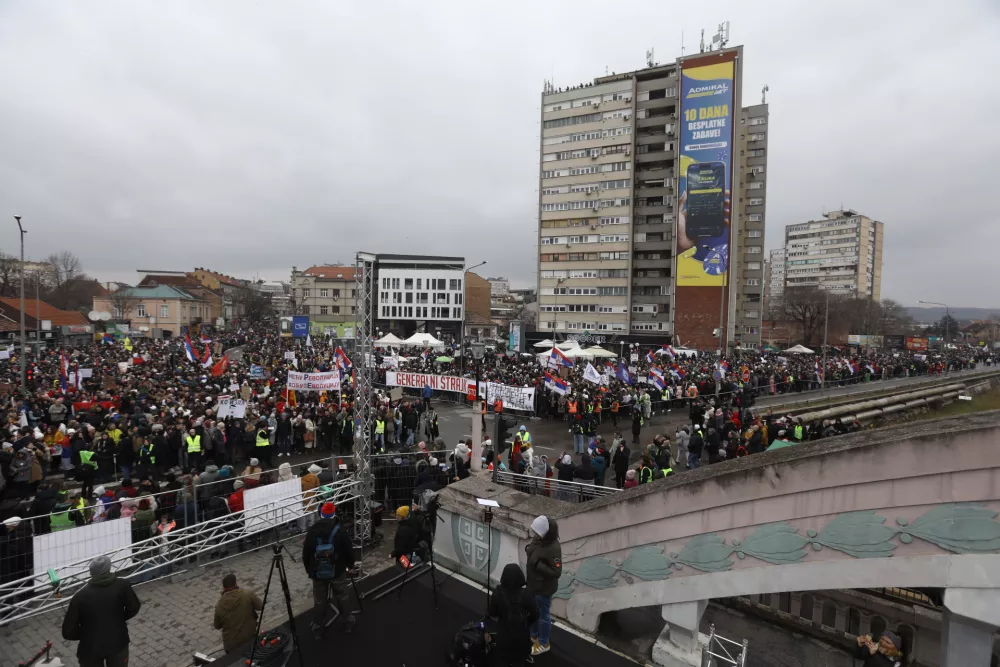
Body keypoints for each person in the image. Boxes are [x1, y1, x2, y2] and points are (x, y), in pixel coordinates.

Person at [61, 555, 141, 667]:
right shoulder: (122, 586)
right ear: (108, 568)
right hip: (118, 643)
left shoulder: (79, 597)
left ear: (91, 573)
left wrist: (85, 633)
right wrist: (119, 619)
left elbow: (68, 631)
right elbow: (134, 607)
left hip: (90, 649)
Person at [302, 502, 356, 636]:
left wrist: (309, 570)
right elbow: (349, 551)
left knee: (319, 600)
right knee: (342, 596)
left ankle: (318, 628)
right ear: (333, 514)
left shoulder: (312, 531)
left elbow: (306, 553)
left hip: (318, 573)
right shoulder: (340, 531)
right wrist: (350, 565)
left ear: (320, 514)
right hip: (337, 571)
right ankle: (347, 622)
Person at [489, 563, 540, 667]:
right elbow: (535, 614)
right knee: (519, 661)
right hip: (521, 637)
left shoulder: (498, 592)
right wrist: (526, 622)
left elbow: (492, 612)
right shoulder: (526, 594)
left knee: (502, 661)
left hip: (504, 636)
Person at [525, 515, 561, 657]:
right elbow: (535, 550)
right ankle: (534, 635)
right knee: (532, 611)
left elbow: (557, 572)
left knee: (543, 616)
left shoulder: (554, 547)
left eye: (537, 532)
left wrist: (537, 564)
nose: (534, 535)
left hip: (543, 588)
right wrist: (529, 550)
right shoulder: (540, 538)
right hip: (533, 583)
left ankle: (544, 642)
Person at [213, 573, 263, 654]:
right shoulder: (247, 594)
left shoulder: (219, 606)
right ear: (236, 584)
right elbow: (260, 606)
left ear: (224, 588)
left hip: (231, 646)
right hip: (250, 637)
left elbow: (217, 626)